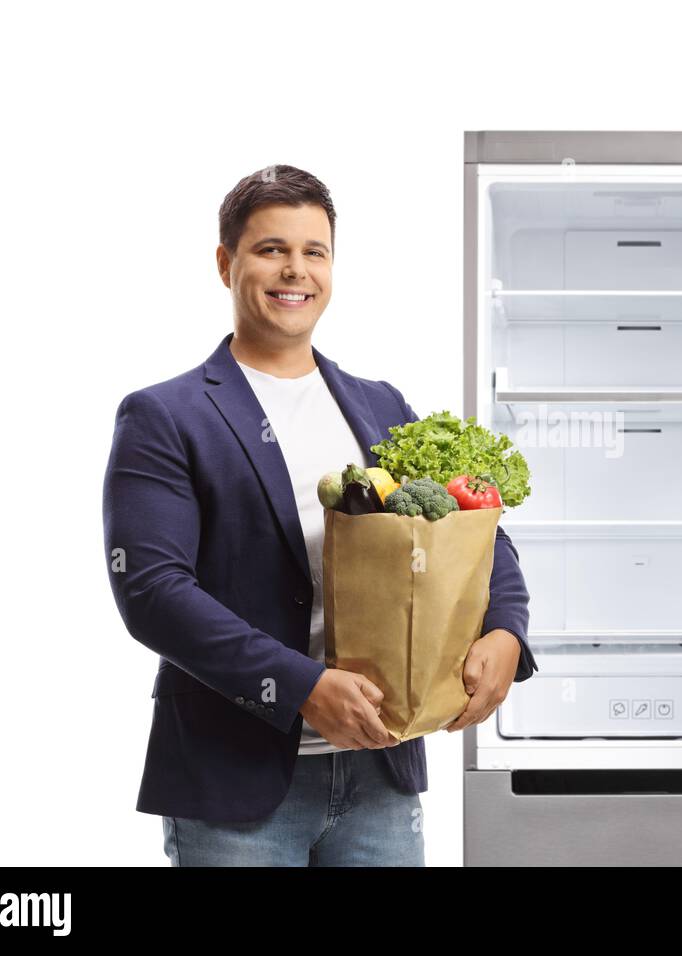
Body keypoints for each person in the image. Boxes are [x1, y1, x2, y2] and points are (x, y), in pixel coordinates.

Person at [102, 164, 536, 866]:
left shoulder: (381, 406)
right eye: (271, 249)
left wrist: (506, 631)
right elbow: (153, 592)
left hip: (380, 774)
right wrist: (303, 688)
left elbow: (480, 533)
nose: (294, 270)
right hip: (234, 785)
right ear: (226, 263)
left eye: (315, 252)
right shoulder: (165, 416)